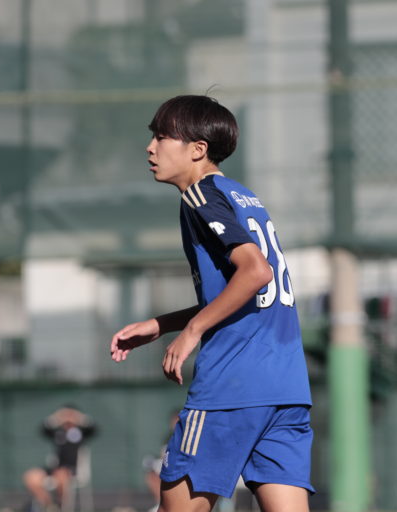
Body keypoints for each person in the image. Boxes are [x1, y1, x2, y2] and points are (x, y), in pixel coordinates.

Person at [110, 95, 314, 512]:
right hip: (286, 387)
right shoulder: (242, 195)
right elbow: (242, 292)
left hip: (232, 384)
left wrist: (192, 332)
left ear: (197, 149)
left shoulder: (200, 196)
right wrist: (161, 324)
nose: (150, 147)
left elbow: (255, 272)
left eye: (162, 137)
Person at [22, 405, 97, 512]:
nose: (68, 418)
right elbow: (44, 428)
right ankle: (48, 505)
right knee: (31, 477)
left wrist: (79, 417)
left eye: (71, 415)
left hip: (71, 469)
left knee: (61, 475)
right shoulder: (58, 433)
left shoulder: (81, 433)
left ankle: (61, 506)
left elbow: (93, 428)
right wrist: (57, 417)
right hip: (55, 468)